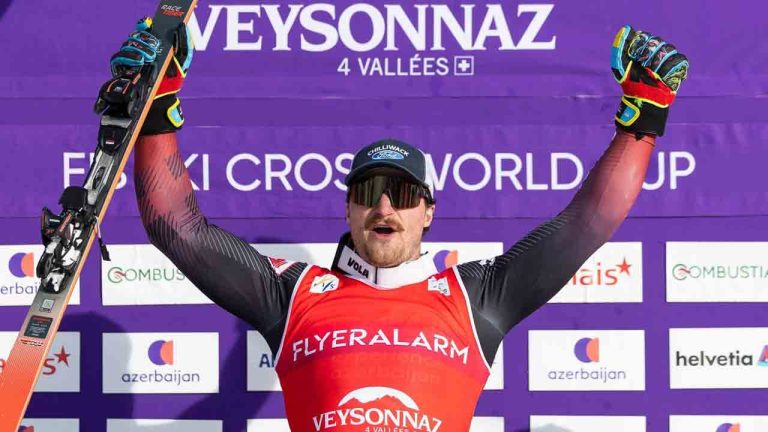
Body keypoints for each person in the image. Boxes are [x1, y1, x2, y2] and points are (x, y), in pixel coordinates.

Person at [103, 19, 688, 432]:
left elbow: (589, 221)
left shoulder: (476, 296)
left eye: (403, 194)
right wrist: (158, 109)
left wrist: (645, 112)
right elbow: (176, 227)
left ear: (428, 212)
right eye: (368, 193)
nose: (384, 207)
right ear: (348, 209)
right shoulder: (292, 295)